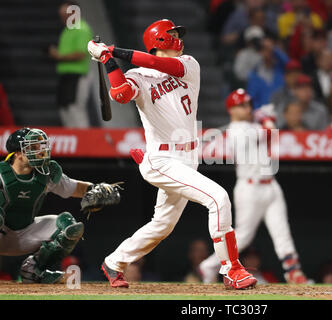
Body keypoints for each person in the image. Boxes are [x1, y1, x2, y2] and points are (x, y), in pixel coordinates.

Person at [87, 19, 257, 290]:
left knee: (162, 225)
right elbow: (119, 94)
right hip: (163, 159)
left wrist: (113, 51)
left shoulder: (189, 64)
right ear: (160, 40)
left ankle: (114, 261)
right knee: (218, 198)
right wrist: (108, 61)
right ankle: (231, 269)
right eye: (173, 33)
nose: (178, 36)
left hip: (188, 158)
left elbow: (159, 65)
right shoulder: (137, 76)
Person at [199, 89, 309, 284]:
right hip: (250, 189)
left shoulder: (250, 126)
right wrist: (265, 117)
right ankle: (209, 265)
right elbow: (269, 131)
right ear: (231, 110)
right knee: (243, 237)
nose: (247, 108)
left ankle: (293, 271)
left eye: (248, 104)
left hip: (271, 186)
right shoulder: (237, 131)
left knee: (282, 231)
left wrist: (261, 117)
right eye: (242, 105)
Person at [0, 128, 121, 284]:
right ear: (17, 153)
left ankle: (34, 270)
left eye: (41, 146)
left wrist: (95, 188)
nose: (40, 151)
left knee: (68, 225)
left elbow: (74, 187)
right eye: (33, 147)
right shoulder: (2, 174)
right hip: (2, 232)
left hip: (25, 233)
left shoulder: (46, 173)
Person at [48, 1, 93, 127]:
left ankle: (83, 141)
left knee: (75, 109)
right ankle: (74, 139)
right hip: (66, 76)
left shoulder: (82, 29)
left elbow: (81, 54)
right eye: (61, 15)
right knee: (64, 109)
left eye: (65, 15)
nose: (63, 18)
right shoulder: (67, 30)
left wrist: (59, 56)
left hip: (77, 76)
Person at [247, 36, 289, 109]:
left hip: (281, 113)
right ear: (260, 52)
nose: (268, 52)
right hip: (262, 114)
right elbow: (252, 99)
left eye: (269, 50)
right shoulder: (254, 75)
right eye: (264, 49)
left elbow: (288, 63)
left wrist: (274, 49)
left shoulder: (280, 69)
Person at [270, 59, 302, 127]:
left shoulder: (307, 94)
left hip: (305, 131)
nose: (294, 77)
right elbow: (272, 115)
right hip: (282, 130)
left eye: (296, 73)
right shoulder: (277, 95)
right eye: (291, 74)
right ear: (285, 76)